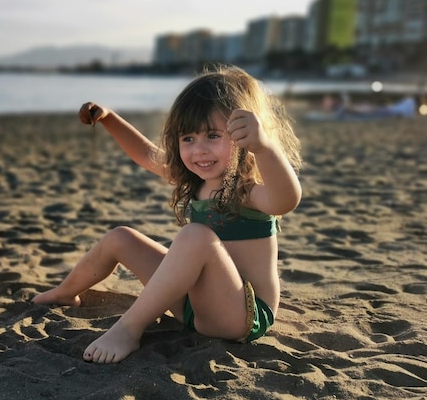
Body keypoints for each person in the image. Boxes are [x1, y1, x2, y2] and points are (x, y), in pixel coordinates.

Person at [32, 65, 302, 363]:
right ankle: (65, 292)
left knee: (196, 236)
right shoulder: (196, 181)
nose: (198, 149)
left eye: (213, 136)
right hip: (192, 306)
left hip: (240, 316)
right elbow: (146, 155)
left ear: (242, 136)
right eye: (188, 138)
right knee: (121, 238)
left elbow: (285, 200)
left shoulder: (247, 191)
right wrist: (108, 118)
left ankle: (129, 329)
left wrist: (264, 149)